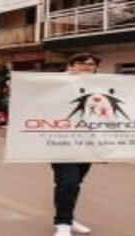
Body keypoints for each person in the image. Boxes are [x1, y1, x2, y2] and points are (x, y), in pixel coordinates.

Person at [52, 53, 101, 236]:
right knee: (68, 182)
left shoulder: (101, 86)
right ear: (71, 65)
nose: (87, 66)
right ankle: (63, 224)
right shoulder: (58, 83)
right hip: (61, 142)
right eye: (82, 63)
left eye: (92, 64)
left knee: (74, 183)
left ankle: (68, 218)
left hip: (87, 143)